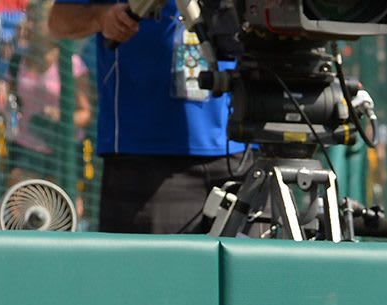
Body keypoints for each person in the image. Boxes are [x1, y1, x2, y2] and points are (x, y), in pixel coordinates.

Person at [45, 0, 242, 233]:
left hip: (242, 149)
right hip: (145, 157)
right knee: (154, 269)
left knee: (254, 267)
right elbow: (58, 19)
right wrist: (101, 17)